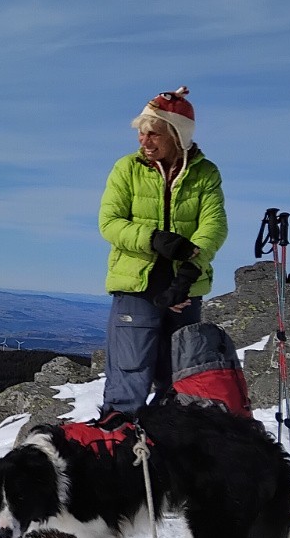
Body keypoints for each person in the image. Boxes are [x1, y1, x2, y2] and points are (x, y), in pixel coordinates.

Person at [97, 86, 227, 414]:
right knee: (129, 380)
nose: (144, 141)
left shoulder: (205, 173)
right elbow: (109, 223)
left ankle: (169, 453)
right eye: (141, 133)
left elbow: (214, 226)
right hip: (136, 290)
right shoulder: (126, 169)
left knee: (181, 381)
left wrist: (191, 267)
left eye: (153, 133)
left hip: (184, 291)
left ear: (176, 135)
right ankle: (125, 453)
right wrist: (153, 238)